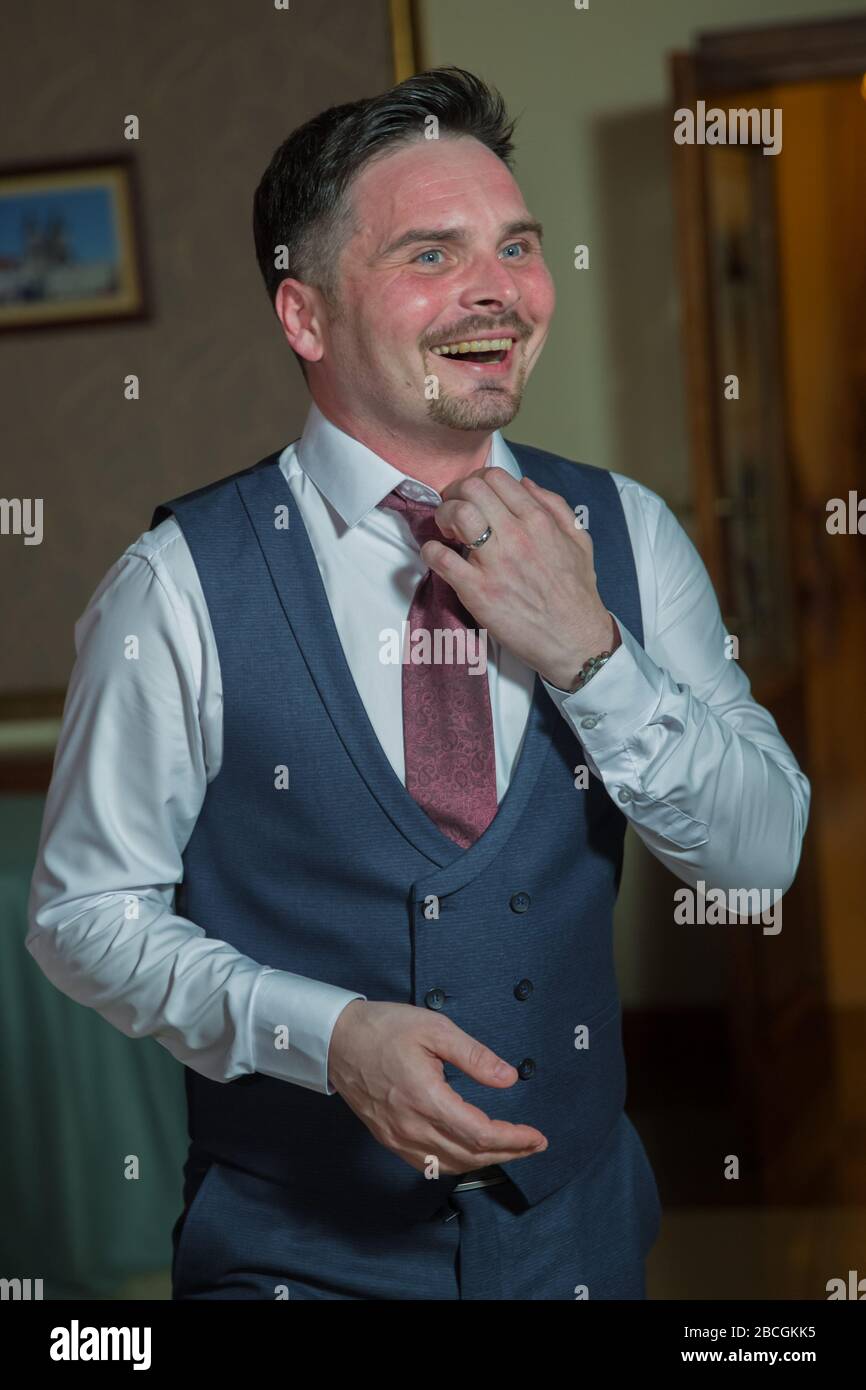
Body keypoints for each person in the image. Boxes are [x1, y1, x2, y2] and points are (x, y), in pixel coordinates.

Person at [27, 67, 809, 1300]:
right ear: (306, 315)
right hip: (295, 1259)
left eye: (515, 245)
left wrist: (590, 656)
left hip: (582, 1244)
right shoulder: (175, 585)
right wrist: (322, 1037)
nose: (496, 287)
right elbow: (82, 918)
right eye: (430, 254)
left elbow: (760, 862)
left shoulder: (629, 532)